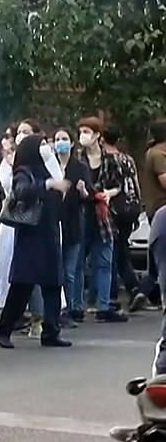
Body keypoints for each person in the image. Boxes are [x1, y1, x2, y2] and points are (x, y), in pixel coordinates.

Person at [0, 133, 72, 349]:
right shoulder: (24, 171)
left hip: (49, 233)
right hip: (31, 236)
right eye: (43, 144)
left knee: (53, 285)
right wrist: (47, 185)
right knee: (22, 286)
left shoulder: (47, 168)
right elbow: (21, 192)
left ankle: (52, 332)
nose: (48, 147)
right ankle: (3, 329)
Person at [79, 117, 128, 322]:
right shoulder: (78, 159)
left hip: (103, 214)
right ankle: (75, 305)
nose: (83, 136)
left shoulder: (110, 159)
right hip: (81, 214)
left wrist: (110, 193)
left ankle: (103, 305)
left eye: (87, 131)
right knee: (77, 261)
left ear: (98, 135)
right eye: (81, 132)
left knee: (105, 262)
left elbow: (119, 183)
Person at [101, 126, 145, 311]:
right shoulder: (128, 159)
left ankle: (113, 294)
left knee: (113, 250)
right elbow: (135, 183)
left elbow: (108, 185)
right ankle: (134, 288)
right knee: (121, 249)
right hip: (131, 206)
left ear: (102, 139)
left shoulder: (107, 160)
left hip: (114, 208)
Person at [54, 128, 91, 323]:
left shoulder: (79, 167)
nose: (60, 142)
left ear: (71, 143)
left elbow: (89, 196)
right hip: (53, 224)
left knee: (70, 270)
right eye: (57, 139)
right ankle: (59, 308)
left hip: (73, 223)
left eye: (64, 139)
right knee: (56, 269)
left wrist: (83, 191)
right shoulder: (50, 165)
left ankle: (72, 306)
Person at [140, 119, 166, 307]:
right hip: (161, 211)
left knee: (157, 258)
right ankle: (146, 289)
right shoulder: (158, 155)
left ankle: (145, 290)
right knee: (161, 259)